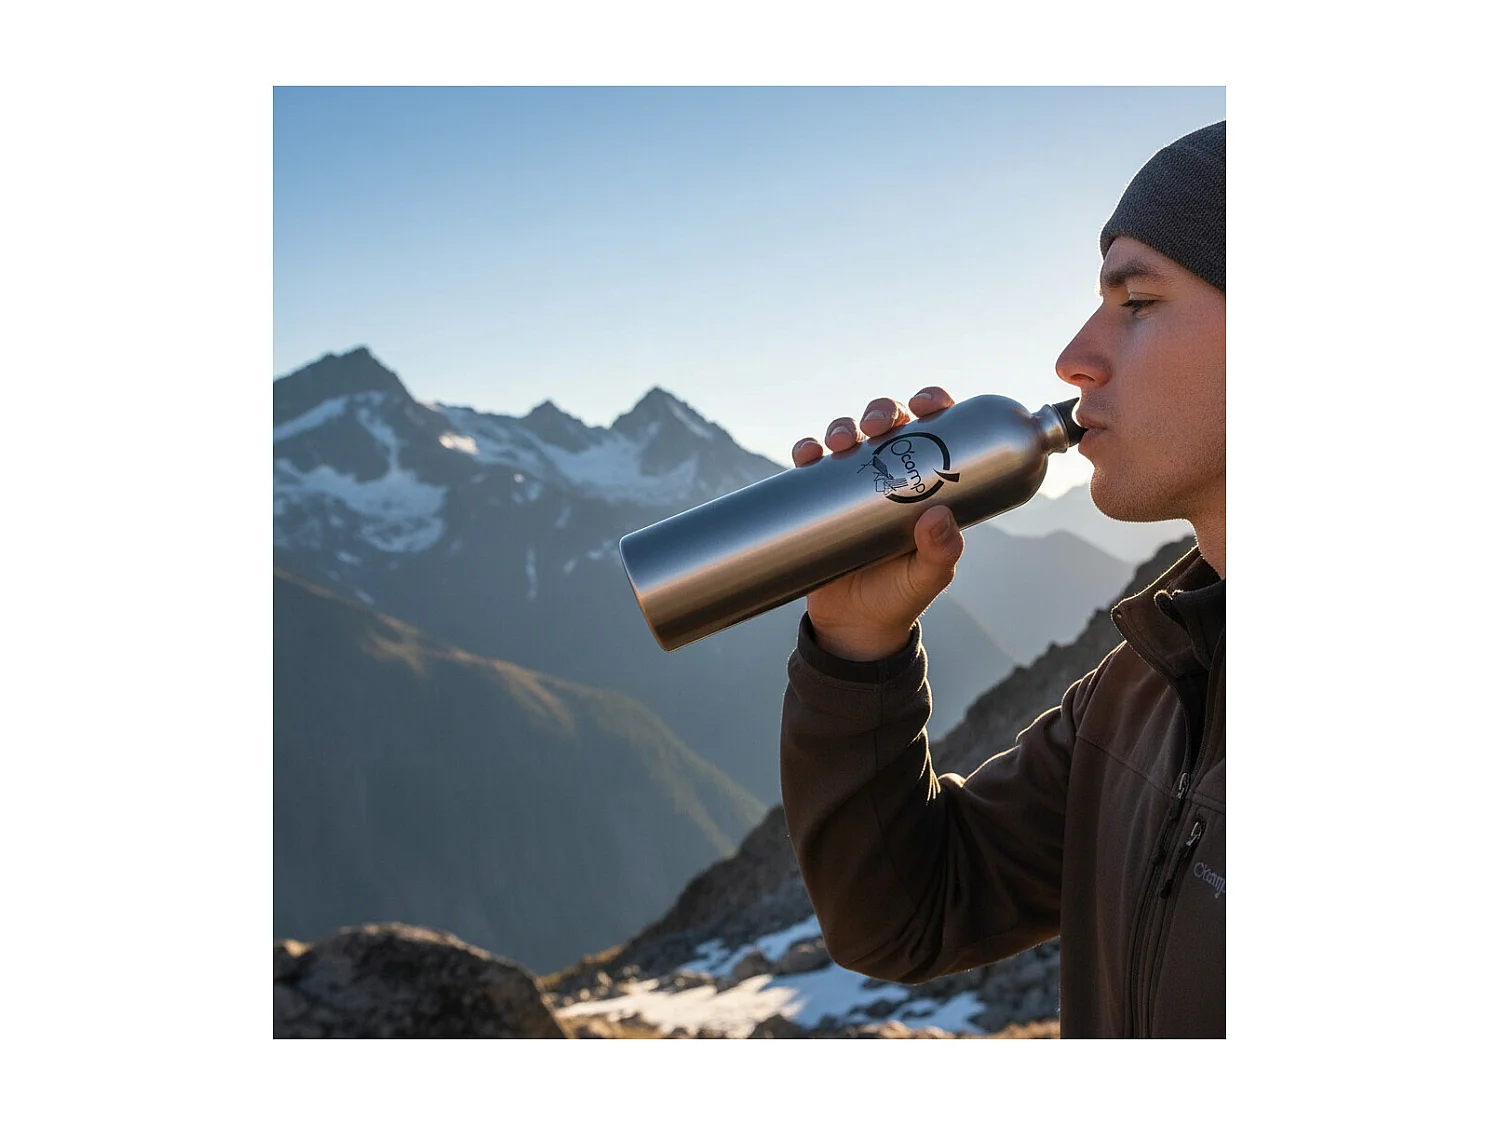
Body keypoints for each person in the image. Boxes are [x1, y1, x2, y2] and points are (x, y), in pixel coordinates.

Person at [779, 120, 1226, 1038]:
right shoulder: (1146, 684)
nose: (1074, 356)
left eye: (1136, 300)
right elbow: (909, 914)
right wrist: (859, 646)